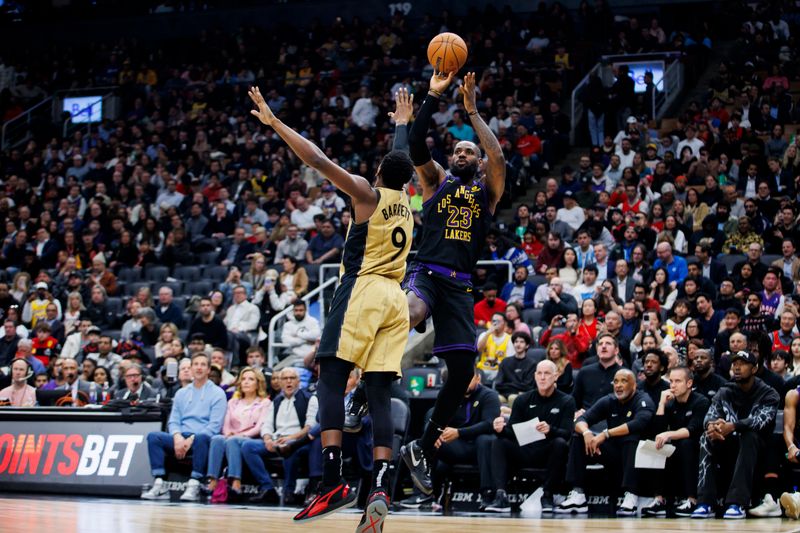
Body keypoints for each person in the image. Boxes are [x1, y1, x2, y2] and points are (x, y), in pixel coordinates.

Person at [249, 84, 416, 526]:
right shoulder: (407, 202)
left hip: (362, 291)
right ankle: (381, 484)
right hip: (395, 300)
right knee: (379, 391)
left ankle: (333, 481)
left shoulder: (368, 193)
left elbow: (318, 161)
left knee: (329, 378)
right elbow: (399, 161)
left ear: (378, 172)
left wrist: (275, 123)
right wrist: (402, 125)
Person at [400, 70, 506, 499]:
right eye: (458, 150)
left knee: (463, 372)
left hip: (460, 287)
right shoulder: (436, 181)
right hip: (427, 272)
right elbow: (413, 144)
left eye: (469, 151)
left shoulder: (487, 191)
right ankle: (362, 394)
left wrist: (474, 113)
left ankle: (422, 447)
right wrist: (431, 97)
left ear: (476, 162)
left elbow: (498, 157)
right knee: (408, 314)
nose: (463, 154)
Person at [691, 350, 780, 519]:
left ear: (754, 369)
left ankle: (736, 503)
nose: (737, 368)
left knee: (749, 435)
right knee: (706, 437)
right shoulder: (725, 390)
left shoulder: (769, 393)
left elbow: (761, 421)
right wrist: (712, 426)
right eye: (735, 364)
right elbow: (710, 415)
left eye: (742, 364)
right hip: (729, 443)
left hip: (760, 449)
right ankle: (705, 502)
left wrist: (733, 426)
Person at [557, 368, 655, 516]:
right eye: (616, 381)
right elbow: (581, 420)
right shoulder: (609, 400)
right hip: (613, 452)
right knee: (579, 438)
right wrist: (586, 432)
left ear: (634, 385)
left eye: (624, 381)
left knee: (631, 438)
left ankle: (631, 495)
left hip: (639, 455)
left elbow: (639, 423)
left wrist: (606, 434)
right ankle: (578, 494)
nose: (618, 385)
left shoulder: (643, 400)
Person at [484, 360, 575, 513]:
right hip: (524, 450)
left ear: (555, 376)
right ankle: (500, 495)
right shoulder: (522, 400)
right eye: (539, 373)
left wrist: (550, 430)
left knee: (559, 443)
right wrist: (500, 429)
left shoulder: (566, 401)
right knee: (498, 442)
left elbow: (567, 434)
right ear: (535, 376)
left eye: (547, 373)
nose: (542, 377)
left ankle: (547, 494)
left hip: (548, 452)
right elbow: (512, 432)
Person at [141, 353, 227, 502]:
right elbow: (173, 420)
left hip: (202, 437)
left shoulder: (218, 393)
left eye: (203, 365)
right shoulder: (181, 393)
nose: (199, 368)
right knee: (154, 437)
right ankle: (160, 483)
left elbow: (215, 425)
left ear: (208, 370)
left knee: (202, 437)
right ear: (192, 368)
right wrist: (177, 437)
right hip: (182, 436)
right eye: (196, 364)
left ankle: (195, 483)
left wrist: (190, 440)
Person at [640, 365, 710, 517]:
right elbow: (658, 431)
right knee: (655, 445)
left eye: (678, 381)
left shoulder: (701, 401)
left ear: (689, 383)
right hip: (676, 448)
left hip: (698, 447)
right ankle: (660, 500)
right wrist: (661, 404)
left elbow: (692, 430)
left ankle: (692, 500)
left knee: (686, 444)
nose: (672, 385)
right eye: (671, 381)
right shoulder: (670, 403)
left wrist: (668, 434)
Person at [242, 367, 318, 506]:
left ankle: (289, 491)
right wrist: (267, 439)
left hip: (299, 441)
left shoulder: (310, 399)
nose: (288, 381)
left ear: (298, 381)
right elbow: (267, 425)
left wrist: (291, 438)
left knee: (288, 448)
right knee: (248, 446)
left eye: (292, 378)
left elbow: (310, 426)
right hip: (277, 440)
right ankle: (268, 488)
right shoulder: (276, 401)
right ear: (280, 382)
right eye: (285, 378)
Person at [206, 367, 270, 500]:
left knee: (232, 441)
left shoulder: (265, 403)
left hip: (253, 439)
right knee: (217, 438)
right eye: (243, 379)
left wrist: (240, 436)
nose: (246, 382)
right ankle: (212, 481)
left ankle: (236, 483)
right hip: (233, 436)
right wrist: (228, 433)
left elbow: (259, 427)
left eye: (251, 379)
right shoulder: (233, 402)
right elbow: (226, 424)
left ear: (258, 383)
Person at [494, 332, 536, 404]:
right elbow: (498, 384)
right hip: (505, 394)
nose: (518, 344)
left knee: (512, 398)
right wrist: (516, 388)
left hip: (522, 395)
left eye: (522, 342)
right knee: (495, 398)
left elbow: (528, 386)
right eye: (516, 342)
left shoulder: (532, 364)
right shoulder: (505, 362)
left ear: (527, 345)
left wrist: (509, 386)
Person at [279, 300, 321, 368]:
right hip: (294, 359)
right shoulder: (288, 325)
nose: (298, 313)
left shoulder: (313, 321)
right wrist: (306, 340)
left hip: (312, 360)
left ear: (305, 310)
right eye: (296, 310)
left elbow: (316, 335)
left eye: (301, 310)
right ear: (293, 311)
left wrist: (297, 334)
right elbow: (286, 341)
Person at [476, 313, 511, 383]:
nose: (495, 323)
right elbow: (479, 349)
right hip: (482, 370)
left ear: (505, 323)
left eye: (498, 321)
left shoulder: (510, 339)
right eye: (493, 321)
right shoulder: (484, 335)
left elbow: (509, 361)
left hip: (499, 371)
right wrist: (488, 334)